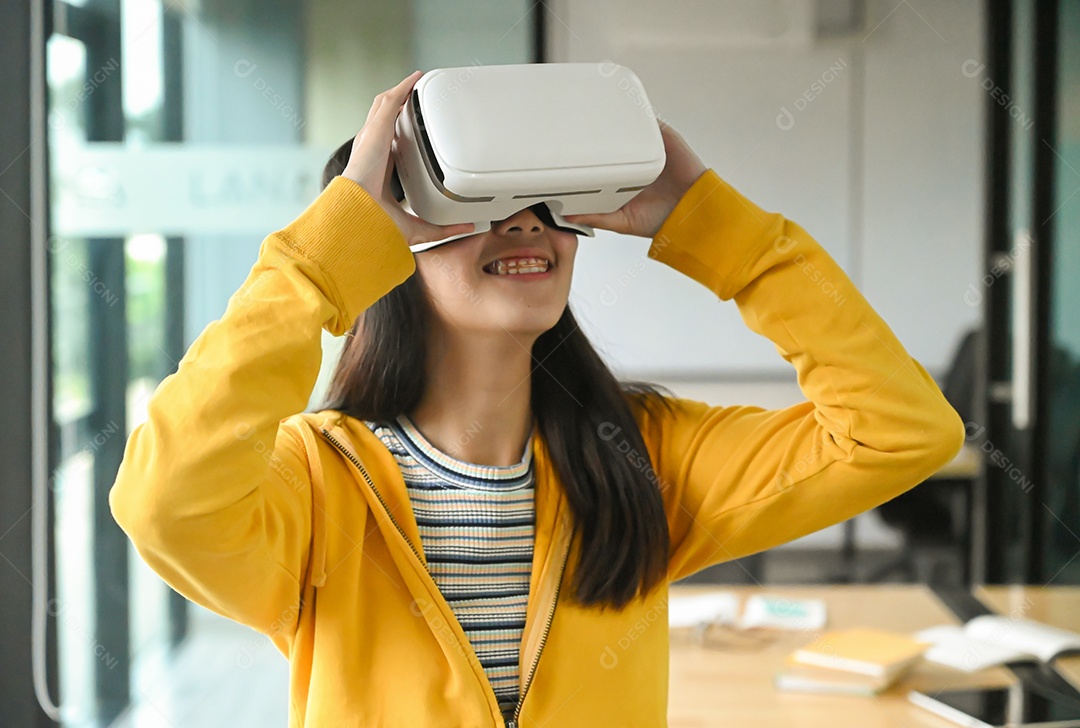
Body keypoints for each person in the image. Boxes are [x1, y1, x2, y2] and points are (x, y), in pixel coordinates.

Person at [109, 70, 966, 727]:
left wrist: (715, 227)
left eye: (548, 200)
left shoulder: (644, 457)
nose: (525, 223)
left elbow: (901, 431)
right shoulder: (315, 485)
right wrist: (315, 267)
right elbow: (161, 502)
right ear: (382, 242)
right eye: (475, 198)